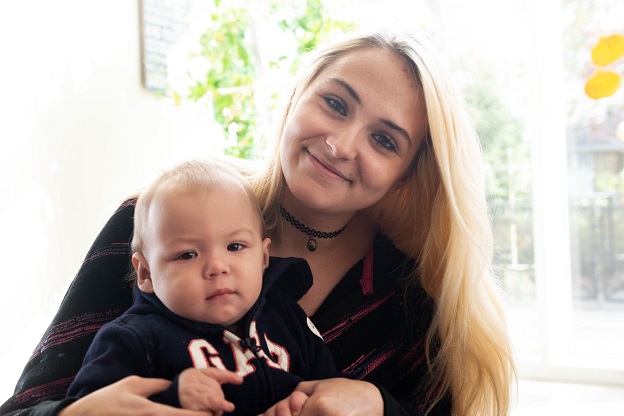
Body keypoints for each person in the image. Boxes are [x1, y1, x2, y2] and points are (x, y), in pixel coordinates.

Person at [1, 29, 516, 416]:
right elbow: (27, 405)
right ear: (295, 97)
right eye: (335, 104)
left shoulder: (409, 303)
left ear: (407, 175)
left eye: (385, 140)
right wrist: (74, 412)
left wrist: (380, 405)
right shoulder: (155, 224)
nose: (341, 144)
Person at [64, 159, 341, 415]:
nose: (217, 267)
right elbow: (93, 408)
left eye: (235, 246)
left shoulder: (288, 319)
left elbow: (331, 391)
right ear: (146, 273)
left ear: (263, 258)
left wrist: (305, 404)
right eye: (187, 255)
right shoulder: (133, 339)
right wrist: (172, 397)